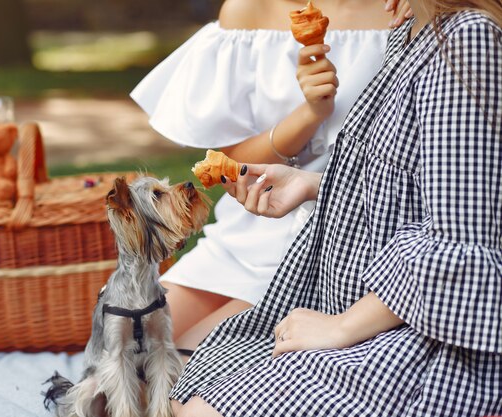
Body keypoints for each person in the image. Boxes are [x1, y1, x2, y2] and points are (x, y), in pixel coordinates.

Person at [170, 0, 502, 415]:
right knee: (177, 387)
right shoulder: (410, 29)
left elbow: (459, 244)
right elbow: (415, 193)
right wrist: (312, 184)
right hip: (342, 298)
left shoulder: (467, 39)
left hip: (422, 338)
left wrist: (340, 327)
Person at [130, 0, 411, 356]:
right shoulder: (248, 11)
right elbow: (229, 163)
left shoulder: (409, 11)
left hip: (333, 250)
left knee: (176, 377)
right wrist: (310, 114)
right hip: (243, 238)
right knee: (123, 361)